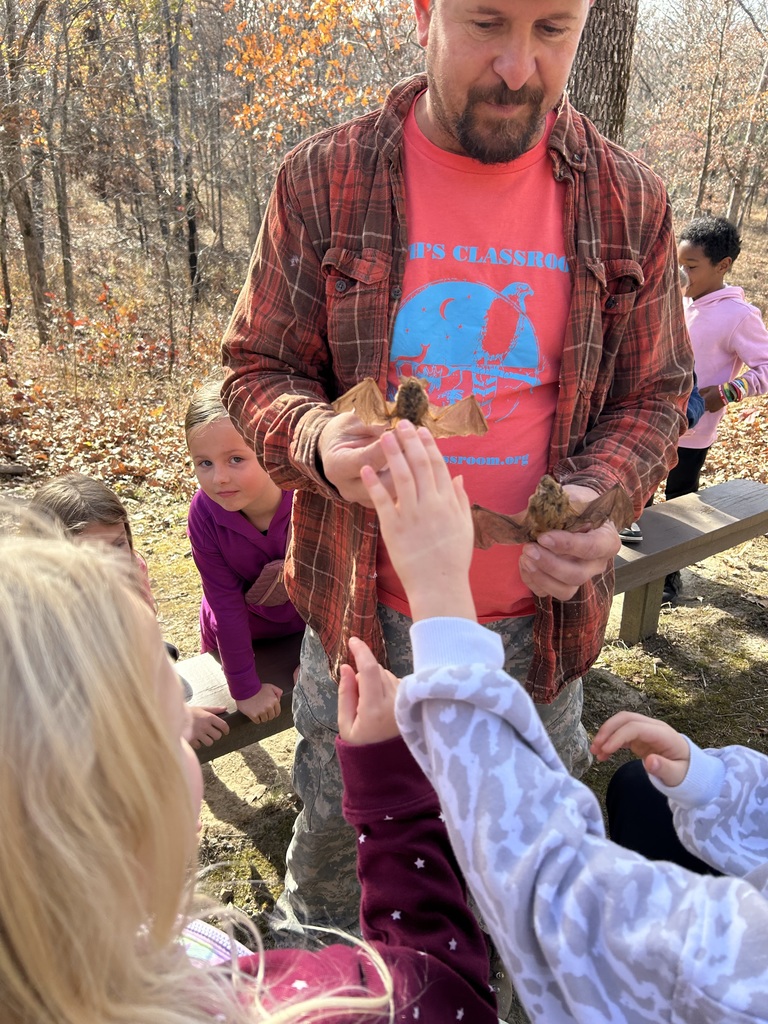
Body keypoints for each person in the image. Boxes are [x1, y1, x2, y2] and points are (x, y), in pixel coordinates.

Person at [221, 0, 693, 936]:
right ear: (424, 15)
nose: (518, 65)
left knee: (517, 888)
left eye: (552, 30)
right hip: (363, 622)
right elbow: (255, 367)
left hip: (536, 636)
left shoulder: (629, 200)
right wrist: (314, 439)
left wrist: (600, 496)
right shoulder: (325, 180)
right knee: (337, 870)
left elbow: (656, 392)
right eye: (487, 24)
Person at [0, 514, 500, 1023]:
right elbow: (442, 991)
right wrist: (392, 799)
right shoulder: (289, 1006)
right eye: (174, 727)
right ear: (120, 804)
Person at [363, 420, 768, 1024]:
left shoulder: (730, 976)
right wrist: (714, 782)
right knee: (640, 790)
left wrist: (440, 600)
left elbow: (557, 888)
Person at [29, 472, 230, 749]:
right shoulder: (40, 612)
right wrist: (172, 720)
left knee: (175, 685)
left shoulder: (133, 568)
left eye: (118, 544)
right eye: (92, 554)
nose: (114, 563)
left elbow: (139, 641)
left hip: (124, 661)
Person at [185, 381, 305, 725]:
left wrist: (318, 656)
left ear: (269, 449)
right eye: (204, 463)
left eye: (236, 459)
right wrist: (244, 688)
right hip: (237, 635)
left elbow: (335, 584)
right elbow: (225, 605)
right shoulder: (204, 515)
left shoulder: (307, 495)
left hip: (303, 624)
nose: (219, 478)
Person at [662, 215, 768, 603]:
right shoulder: (675, 301)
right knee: (638, 500)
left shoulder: (739, 316)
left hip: (692, 433)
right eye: (679, 265)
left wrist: (725, 392)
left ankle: (667, 577)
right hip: (651, 421)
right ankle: (633, 569)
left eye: (691, 267)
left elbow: (765, 368)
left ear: (723, 265)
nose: (682, 275)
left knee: (678, 503)